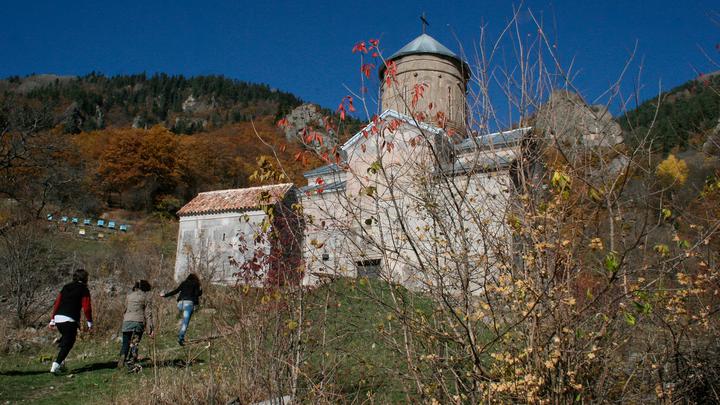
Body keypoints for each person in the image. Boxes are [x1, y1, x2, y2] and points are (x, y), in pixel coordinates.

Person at [48, 269, 93, 374]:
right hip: (70, 319)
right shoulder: (84, 289)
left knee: (66, 339)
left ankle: (61, 362)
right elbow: (86, 308)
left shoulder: (66, 287)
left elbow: (57, 303)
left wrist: (52, 319)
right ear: (85, 278)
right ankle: (56, 366)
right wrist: (89, 321)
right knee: (69, 342)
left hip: (59, 318)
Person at [118, 280, 154, 369]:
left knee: (125, 342)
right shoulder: (145, 298)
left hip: (127, 322)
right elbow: (148, 314)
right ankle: (130, 361)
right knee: (135, 343)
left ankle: (123, 355)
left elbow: (124, 309)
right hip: (138, 322)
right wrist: (150, 329)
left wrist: (125, 318)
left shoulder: (129, 296)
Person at [161, 273, 202, 346]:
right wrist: (200, 290)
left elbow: (176, 291)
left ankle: (180, 325)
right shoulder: (196, 283)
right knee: (186, 322)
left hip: (180, 304)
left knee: (184, 319)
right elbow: (197, 294)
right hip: (188, 304)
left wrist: (165, 295)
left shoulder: (184, 283)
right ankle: (180, 338)